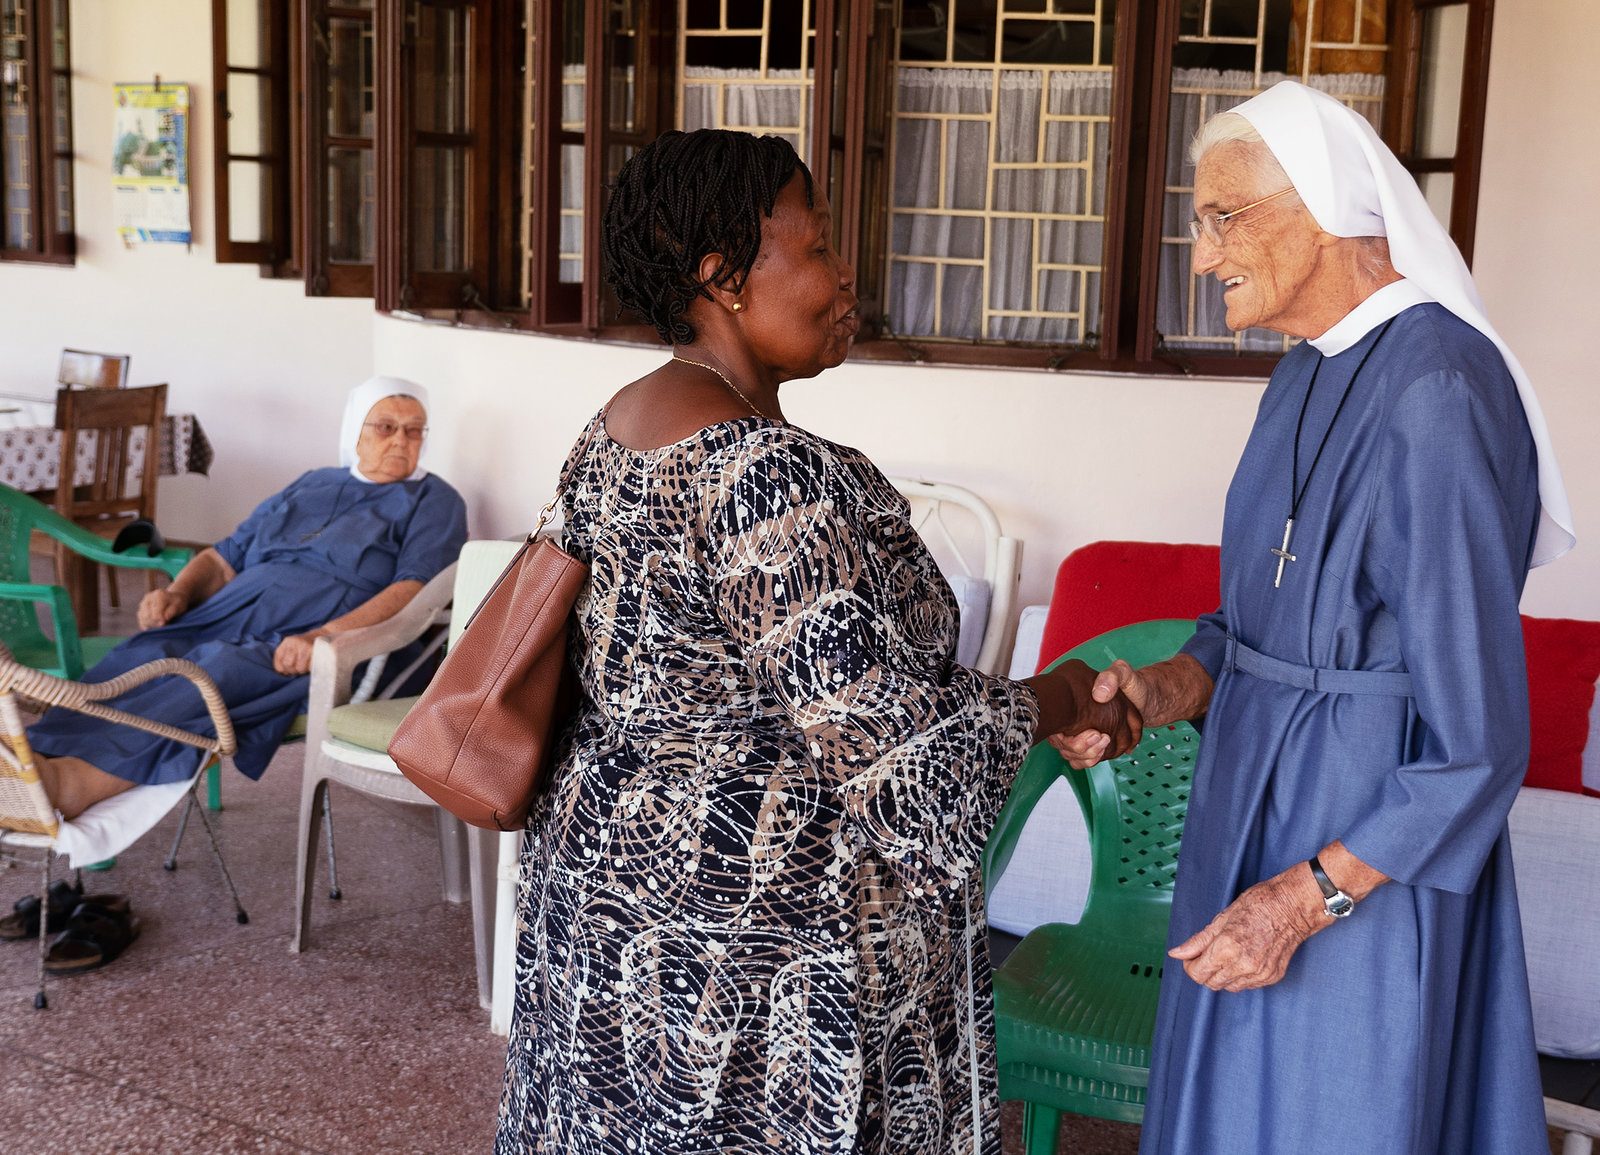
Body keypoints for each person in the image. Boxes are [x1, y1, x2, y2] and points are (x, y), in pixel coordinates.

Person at [496, 129, 1140, 1154]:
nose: (845, 277)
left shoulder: (619, 425)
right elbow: (900, 759)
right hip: (760, 960)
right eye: (819, 246)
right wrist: (1059, 697)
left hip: (614, 913)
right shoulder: (766, 473)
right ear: (722, 277)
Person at [1056, 82, 1573, 1153]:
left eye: (1223, 217)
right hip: (1243, 814)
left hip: (1362, 854)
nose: (1202, 254)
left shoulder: (1439, 389)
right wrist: (1163, 689)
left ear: (1326, 205)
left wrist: (1304, 901)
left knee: (1333, 1116)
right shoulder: (1298, 375)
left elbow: (1479, 744)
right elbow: (1254, 619)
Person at [28, 377, 469, 819]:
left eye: (414, 430)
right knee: (146, 652)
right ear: (356, 430)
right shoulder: (313, 482)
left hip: (329, 633)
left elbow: (413, 591)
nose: (401, 440)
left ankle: (72, 783)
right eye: (386, 427)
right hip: (230, 611)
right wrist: (178, 592)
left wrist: (324, 636)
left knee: (215, 672)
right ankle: (34, 755)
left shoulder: (435, 499)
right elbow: (223, 559)